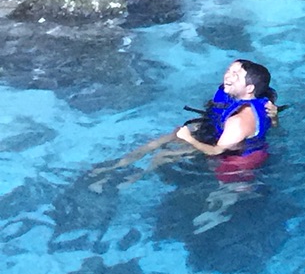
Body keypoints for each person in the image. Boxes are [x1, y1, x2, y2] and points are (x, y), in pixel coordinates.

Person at [91, 58, 278, 186]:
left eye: (235, 75)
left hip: (231, 153)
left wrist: (189, 138)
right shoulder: (250, 101)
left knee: (162, 156)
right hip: (217, 134)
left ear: (250, 88)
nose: (227, 76)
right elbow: (269, 123)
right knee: (161, 141)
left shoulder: (239, 120)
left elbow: (216, 151)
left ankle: (130, 180)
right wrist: (275, 116)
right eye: (228, 71)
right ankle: (114, 167)